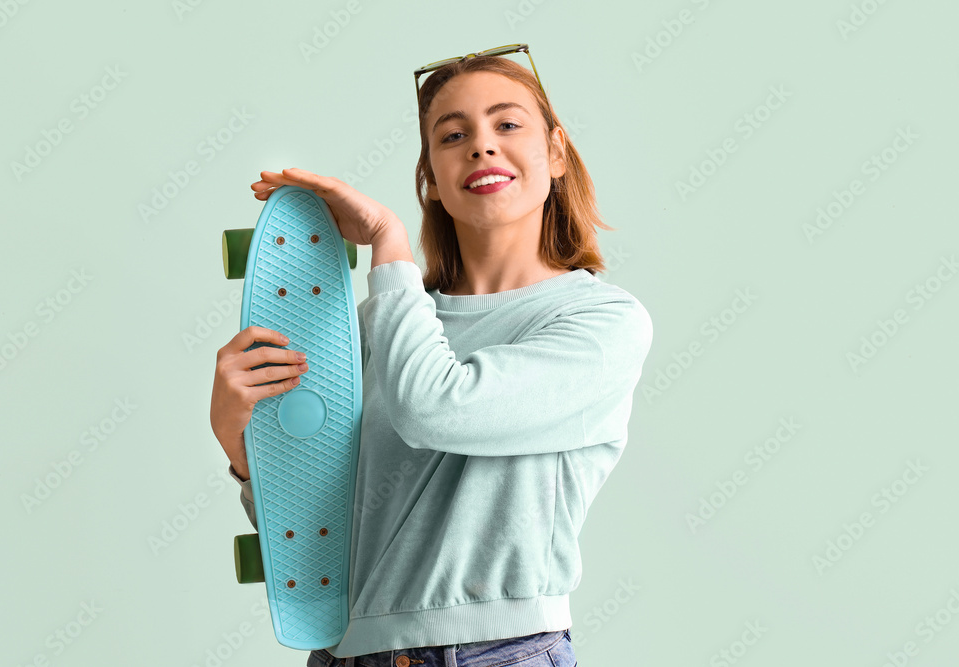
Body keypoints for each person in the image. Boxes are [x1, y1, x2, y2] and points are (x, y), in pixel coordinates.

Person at [209, 46, 654, 667]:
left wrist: (390, 245)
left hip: (491, 651)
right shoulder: (380, 325)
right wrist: (241, 446)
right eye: (453, 135)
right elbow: (320, 536)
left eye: (507, 124)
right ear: (432, 180)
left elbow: (435, 409)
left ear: (556, 152)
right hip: (344, 652)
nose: (481, 146)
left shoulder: (599, 323)